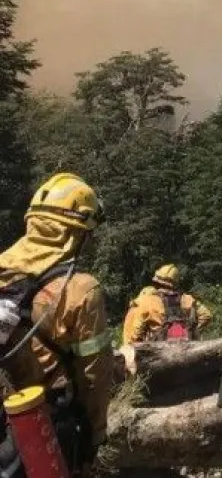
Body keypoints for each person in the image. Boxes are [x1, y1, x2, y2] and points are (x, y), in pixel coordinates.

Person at [0, 172, 113, 478]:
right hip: (46, 426)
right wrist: (94, 437)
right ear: (78, 232)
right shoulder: (80, 289)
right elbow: (95, 376)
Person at [121, 263, 212, 344]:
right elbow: (206, 315)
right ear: (176, 283)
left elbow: (135, 336)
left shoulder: (147, 301)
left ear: (156, 282)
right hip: (185, 349)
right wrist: (192, 330)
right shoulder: (187, 299)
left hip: (158, 354)